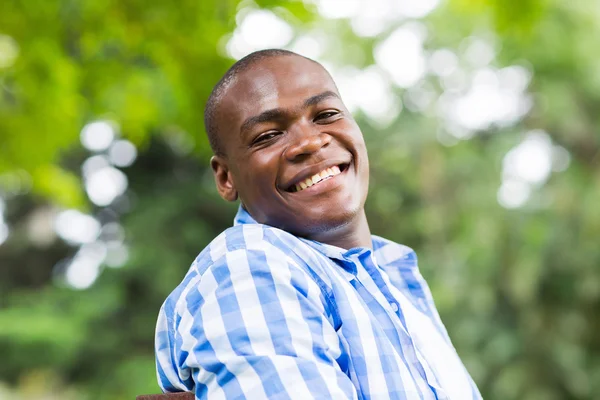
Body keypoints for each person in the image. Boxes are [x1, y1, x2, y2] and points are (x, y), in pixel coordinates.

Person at [155, 49, 482, 399]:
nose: (310, 142)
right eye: (268, 135)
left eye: (326, 115)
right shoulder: (249, 269)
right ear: (225, 177)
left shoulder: (393, 272)